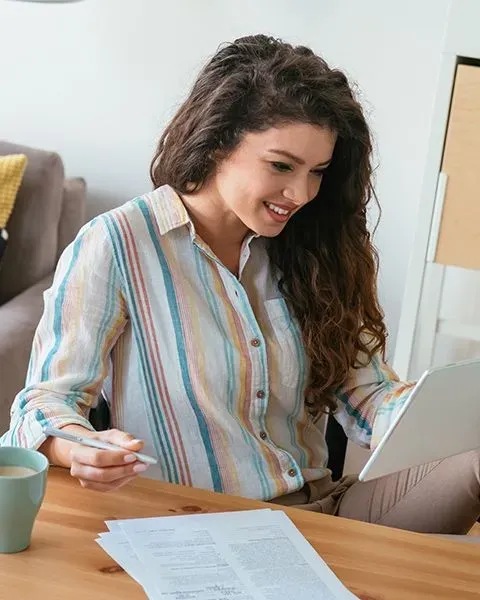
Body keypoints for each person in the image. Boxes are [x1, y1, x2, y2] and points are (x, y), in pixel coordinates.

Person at [2, 35, 478, 534]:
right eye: (281, 166)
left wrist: (436, 413)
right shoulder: (118, 244)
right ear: (219, 141)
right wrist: (79, 446)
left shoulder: (311, 250)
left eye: (318, 171)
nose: (301, 193)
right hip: (200, 526)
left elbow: (369, 396)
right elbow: (44, 404)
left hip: (324, 516)